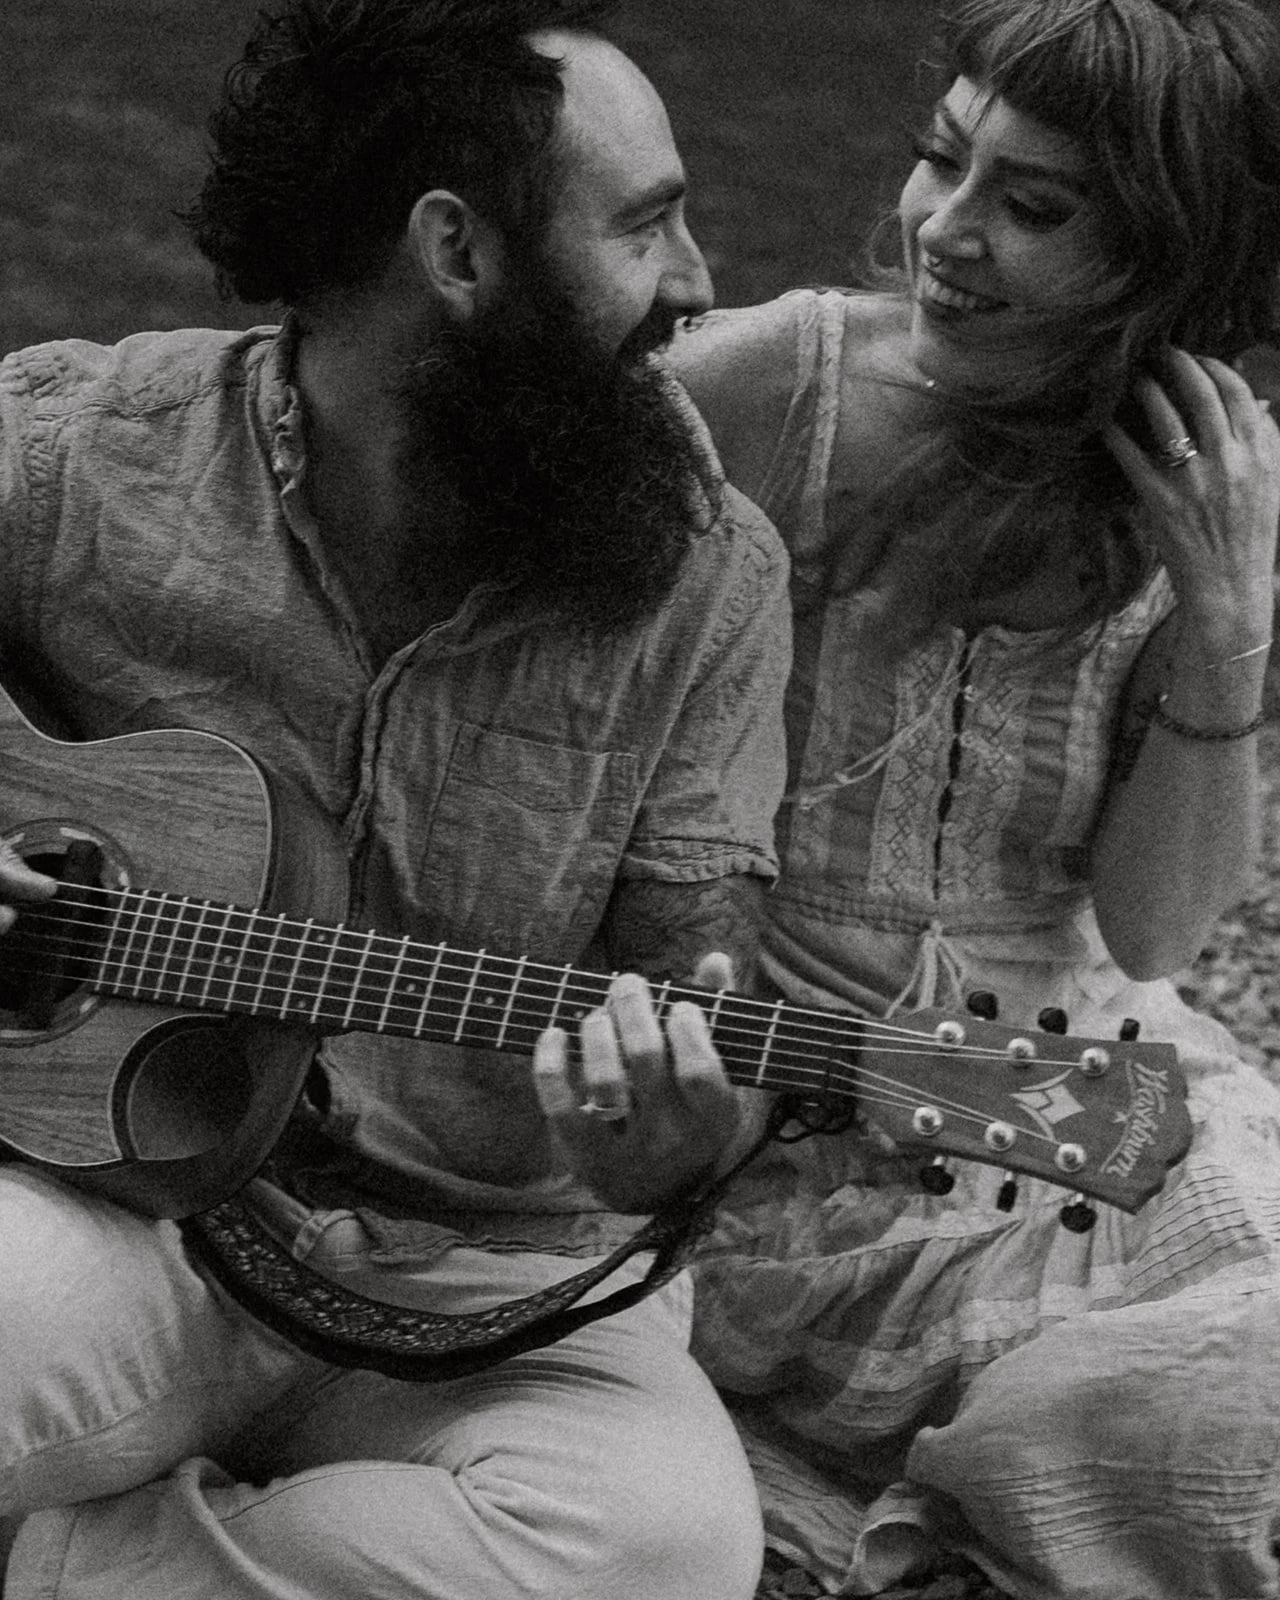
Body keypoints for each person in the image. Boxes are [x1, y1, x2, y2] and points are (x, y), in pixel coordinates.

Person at [0, 3, 793, 1597]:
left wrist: (680, 1135)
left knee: (670, 1547)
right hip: (125, 1221)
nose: (703, 284)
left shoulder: (710, 581)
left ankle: (79, 1564)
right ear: (456, 250)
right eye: (647, 226)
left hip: (492, 1282)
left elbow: (708, 994)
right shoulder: (77, 456)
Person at [652, 0, 1280, 1595]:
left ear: (1163, 254)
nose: (947, 231)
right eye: (947, 160)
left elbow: (1152, 935)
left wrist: (1221, 635)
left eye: (1035, 206)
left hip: (1077, 1073)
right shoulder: (758, 391)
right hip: (812, 1114)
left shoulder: (1197, 479)